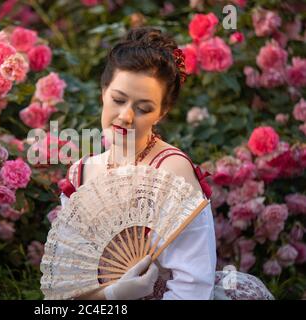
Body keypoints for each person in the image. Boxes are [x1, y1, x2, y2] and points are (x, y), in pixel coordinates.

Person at [54, 27, 274, 300]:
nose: (125, 116)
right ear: (103, 92)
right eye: (118, 99)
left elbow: (192, 286)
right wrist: (112, 295)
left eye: (144, 108)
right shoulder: (82, 174)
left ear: (162, 112)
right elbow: (70, 285)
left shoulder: (171, 172)